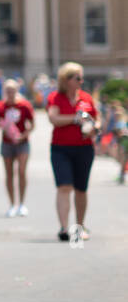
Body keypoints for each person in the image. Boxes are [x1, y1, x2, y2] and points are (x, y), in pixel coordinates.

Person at [46, 62, 98, 242]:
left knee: (81, 189)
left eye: (82, 78)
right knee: (64, 186)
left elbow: (96, 121)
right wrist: (75, 119)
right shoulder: (56, 98)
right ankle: (63, 228)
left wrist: (92, 128)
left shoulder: (86, 98)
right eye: (78, 78)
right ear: (66, 80)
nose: (81, 81)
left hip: (84, 148)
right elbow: (54, 118)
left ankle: (79, 226)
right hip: (61, 148)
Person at [0, 79, 35, 217]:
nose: (10, 93)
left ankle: (22, 204)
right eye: (8, 91)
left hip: (22, 142)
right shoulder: (0, 107)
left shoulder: (24, 106)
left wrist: (23, 135)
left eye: (12, 91)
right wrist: (1, 124)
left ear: (17, 91)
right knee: (9, 173)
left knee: (21, 171)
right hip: (7, 143)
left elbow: (33, 124)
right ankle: (12, 204)